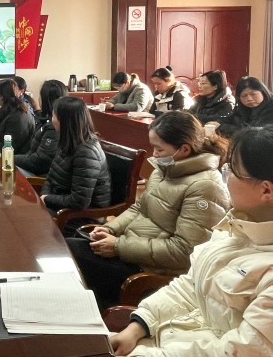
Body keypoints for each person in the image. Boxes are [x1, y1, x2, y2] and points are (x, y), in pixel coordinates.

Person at [110, 125, 273, 357]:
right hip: (173, 337)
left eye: (232, 170)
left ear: (266, 191)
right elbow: (190, 287)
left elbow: (239, 350)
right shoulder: (235, 228)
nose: (225, 176)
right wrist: (138, 326)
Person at [66, 111, 230, 310]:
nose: (154, 154)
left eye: (159, 149)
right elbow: (139, 208)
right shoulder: (166, 169)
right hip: (133, 249)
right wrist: (110, 229)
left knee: (72, 256)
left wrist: (118, 246)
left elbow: (185, 251)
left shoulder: (205, 187)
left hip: (152, 270)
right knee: (71, 245)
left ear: (184, 149)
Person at [39, 96, 111, 214]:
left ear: (65, 121)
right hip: (59, 204)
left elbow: (79, 201)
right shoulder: (67, 142)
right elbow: (50, 179)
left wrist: (47, 199)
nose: (52, 120)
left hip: (79, 215)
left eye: (53, 116)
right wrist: (44, 196)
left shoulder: (87, 153)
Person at [15, 79, 67, 177]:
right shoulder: (45, 119)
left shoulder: (55, 126)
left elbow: (41, 161)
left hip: (40, 175)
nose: (38, 99)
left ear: (46, 100)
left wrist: (9, 157)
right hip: (33, 165)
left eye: (40, 96)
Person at [0, 78, 35, 154]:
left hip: (14, 157)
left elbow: (10, 146)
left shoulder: (18, 116)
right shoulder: (3, 111)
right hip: (0, 152)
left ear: (1, 96)